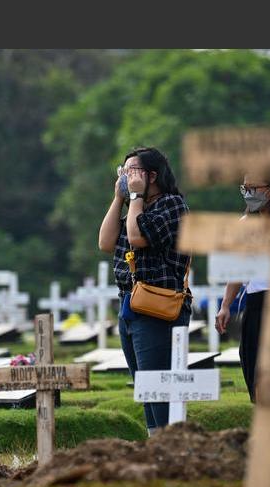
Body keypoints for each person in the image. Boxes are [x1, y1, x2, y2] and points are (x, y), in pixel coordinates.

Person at [98, 146, 191, 435]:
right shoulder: (134, 207)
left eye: (132, 172)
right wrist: (119, 198)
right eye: (122, 172)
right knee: (145, 388)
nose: (126, 177)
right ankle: (156, 445)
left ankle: (167, 446)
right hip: (131, 305)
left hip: (158, 307)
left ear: (152, 175)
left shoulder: (173, 205)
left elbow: (138, 238)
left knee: (157, 386)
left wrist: (135, 198)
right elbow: (105, 241)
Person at [215, 176, 270, 402]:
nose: (249, 194)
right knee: (250, 361)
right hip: (255, 301)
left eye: (254, 188)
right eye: (245, 188)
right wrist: (225, 305)